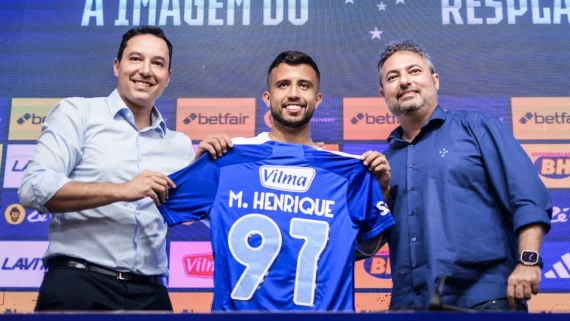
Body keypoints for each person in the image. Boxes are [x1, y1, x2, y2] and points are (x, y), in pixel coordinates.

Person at [18, 26, 192, 311]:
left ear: (168, 77)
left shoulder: (181, 145)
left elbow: (196, 209)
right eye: (136, 59)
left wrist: (215, 160)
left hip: (151, 295)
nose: (146, 71)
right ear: (116, 66)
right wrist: (122, 191)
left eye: (157, 63)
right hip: (79, 286)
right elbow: (33, 189)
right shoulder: (76, 114)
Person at [376, 40, 553, 311]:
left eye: (413, 71)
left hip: (486, 298)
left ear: (434, 80)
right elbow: (368, 241)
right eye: (393, 77)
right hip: (409, 306)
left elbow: (528, 197)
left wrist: (528, 260)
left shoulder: (477, 127)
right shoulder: (383, 165)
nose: (404, 81)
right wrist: (382, 195)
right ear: (383, 93)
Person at [195, 51, 392, 257]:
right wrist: (199, 168)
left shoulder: (348, 170)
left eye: (304, 85)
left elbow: (368, 246)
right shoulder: (229, 156)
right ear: (267, 97)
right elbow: (185, 206)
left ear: (318, 99)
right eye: (283, 84)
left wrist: (380, 190)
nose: (294, 94)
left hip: (320, 290)